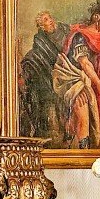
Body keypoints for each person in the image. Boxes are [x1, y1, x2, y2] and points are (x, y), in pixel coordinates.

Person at [52, 0, 100, 148]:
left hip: (82, 81)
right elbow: (84, 62)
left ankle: (81, 151)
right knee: (83, 121)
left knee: (84, 121)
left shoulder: (92, 37)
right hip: (73, 81)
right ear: (96, 18)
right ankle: (82, 155)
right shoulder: (80, 36)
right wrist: (98, 82)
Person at [19, 11, 66, 139]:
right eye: (46, 20)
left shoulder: (64, 32)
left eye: (50, 17)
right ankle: (47, 131)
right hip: (48, 76)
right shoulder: (40, 41)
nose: (50, 20)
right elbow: (36, 56)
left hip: (67, 70)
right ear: (41, 27)